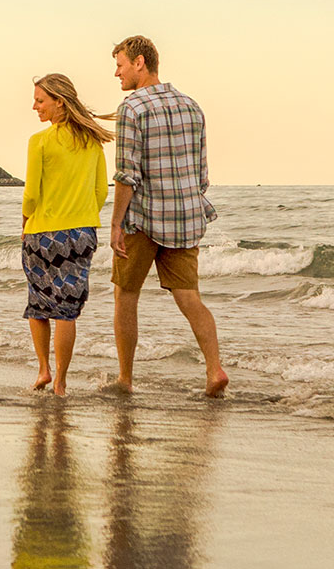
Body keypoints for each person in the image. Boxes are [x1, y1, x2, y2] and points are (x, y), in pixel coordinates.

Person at [103, 35, 228, 397]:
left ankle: (125, 379)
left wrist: (115, 224)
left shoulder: (132, 108)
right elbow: (202, 173)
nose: (117, 73)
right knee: (189, 297)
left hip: (142, 218)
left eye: (120, 65)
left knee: (125, 294)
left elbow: (127, 175)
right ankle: (214, 369)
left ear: (140, 62)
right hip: (187, 217)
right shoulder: (192, 106)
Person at [22, 73, 114, 396]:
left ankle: (43, 369)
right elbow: (101, 191)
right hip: (81, 232)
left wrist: (25, 221)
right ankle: (61, 381)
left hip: (42, 233)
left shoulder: (40, 142)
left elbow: (31, 194)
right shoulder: (92, 141)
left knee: (38, 303)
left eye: (40, 100)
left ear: (59, 101)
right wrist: (82, 214)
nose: (35, 106)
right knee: (66, 310)